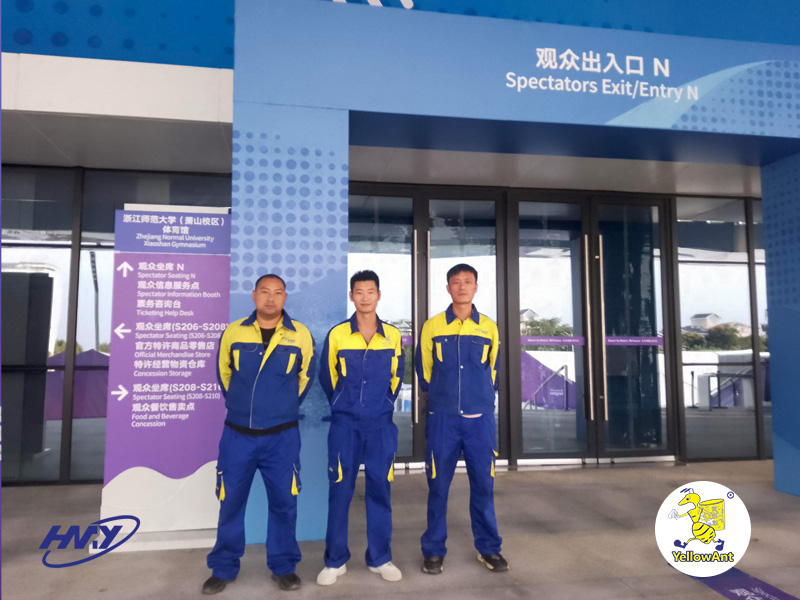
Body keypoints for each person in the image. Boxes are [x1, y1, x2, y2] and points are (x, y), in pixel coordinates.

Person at [203, 274, 315, 594]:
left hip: (282, 438)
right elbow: (224, 375)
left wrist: (280, 408)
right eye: (265, 292)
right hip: (237, 436)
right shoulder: (234, 332)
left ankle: (284, 567)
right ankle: (223, 568)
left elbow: (305, 378)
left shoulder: (300, 334)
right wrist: (243, 408)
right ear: (254, 295)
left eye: (277, 293)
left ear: (285, 297)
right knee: (230, 502)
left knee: (284, 503)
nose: (271, 298)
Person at [415, 263, 507, 575]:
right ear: (448, 288)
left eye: (468, 281)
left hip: (480, 421)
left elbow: (494, 370)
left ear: (476, 287)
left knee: (483, 486)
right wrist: (445, 397)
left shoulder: (489, 327)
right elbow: (425, 370)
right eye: (456, 282)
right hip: (443, 420)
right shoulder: (433, 326)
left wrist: (477, 397)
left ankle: (489, 548)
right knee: (438, 487)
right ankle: (433, 550)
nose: (462, 287)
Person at [315, 270, 404, 586]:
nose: (365, 297)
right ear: (351, 296)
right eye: (359, 292)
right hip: (346, 427)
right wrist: (345, 404)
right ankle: (335, 561)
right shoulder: (338, 334)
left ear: (378, 295)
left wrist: (382, 404)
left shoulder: (392, 335)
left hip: (380, 427)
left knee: (380, 491)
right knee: (340, 491)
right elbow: (327, 378)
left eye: (370, 291)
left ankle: (380, 558)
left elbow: (397, 377)